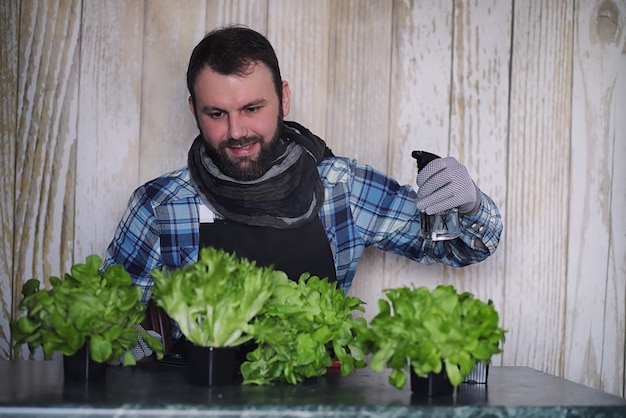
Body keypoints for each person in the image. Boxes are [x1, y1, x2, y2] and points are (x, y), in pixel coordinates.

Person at [101, 25, 502, 346]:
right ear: (194, 110)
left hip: (323, 402)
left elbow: (468, 246)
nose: (236, 130)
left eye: (252, 108)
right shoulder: (160, 206)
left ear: (284, 98)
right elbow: (108, 330)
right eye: (216, 113)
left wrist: (468, 206)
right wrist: (140, 348)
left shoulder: (344, 188)